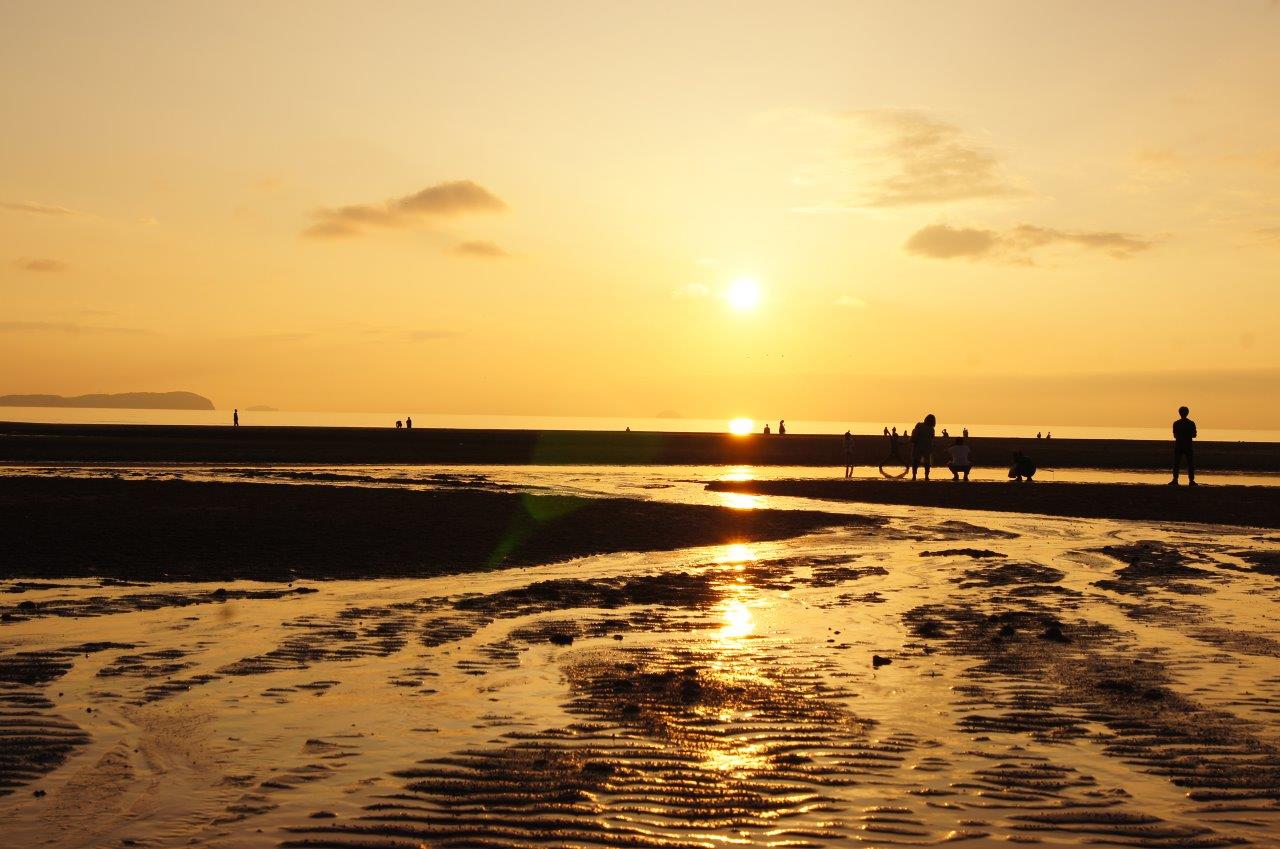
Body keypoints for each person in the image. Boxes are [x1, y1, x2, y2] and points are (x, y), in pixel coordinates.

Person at [1171, 405, 1197, 486]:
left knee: (1176, 463)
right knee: (1190, 464)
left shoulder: (1176, 423)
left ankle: (1175, 480)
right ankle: (1191, 481)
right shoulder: (1191, 423)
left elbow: (1175, 435)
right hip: (1188, 445)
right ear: (1187, 413)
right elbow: (1194, 435)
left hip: (1179, 445)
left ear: (1179, 413)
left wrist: (1181, 436)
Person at [910, 414, 936, 481]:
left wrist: (912, 440)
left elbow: (915, 433)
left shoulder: (919, 425)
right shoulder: (932, 429)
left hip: (918, 445)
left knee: (916, 461)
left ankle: (914, 476)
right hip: (927, 446)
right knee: (927, 462)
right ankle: (926, 476)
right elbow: (932, 438)